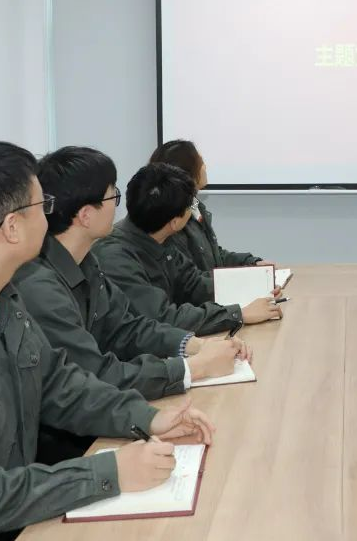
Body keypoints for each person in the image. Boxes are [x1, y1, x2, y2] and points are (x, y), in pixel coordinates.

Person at [0, 138, 215, 540]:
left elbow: (57, 383)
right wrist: (108, 472)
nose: (51, 215)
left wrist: (148, 417)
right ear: (12, 227)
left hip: (20, 519)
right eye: (43, 205)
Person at [14, 146, 251, 401]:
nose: (118, 207)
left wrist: (196, 345)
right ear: (86, 215)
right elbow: (94, 374)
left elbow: (128, 328)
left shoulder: (86, 262)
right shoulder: (40, 287)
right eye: (112, 196)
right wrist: (193, 367)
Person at [94, 162, 281, 335]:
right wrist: (237, 314)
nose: (193, 210)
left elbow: (195, 285)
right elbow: (163, 318)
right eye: (190, 206)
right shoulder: (114, 256)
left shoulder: (159, 234)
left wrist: (257, 286)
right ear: (175, 222)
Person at [150, 139, 273, 272]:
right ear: (187, 172)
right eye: (201, 162)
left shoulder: (194, 206)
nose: (205, 167)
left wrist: (252, 263)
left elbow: (215, 257)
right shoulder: (173, 222)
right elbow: (189, 279)